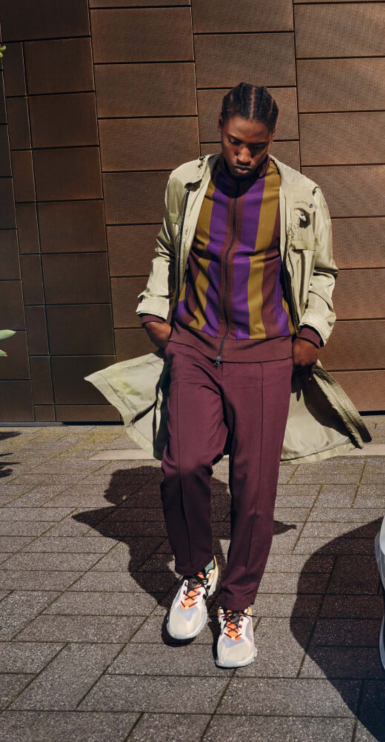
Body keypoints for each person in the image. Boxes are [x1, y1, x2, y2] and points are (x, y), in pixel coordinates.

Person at [135, 82, 357, 668]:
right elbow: (165, 249)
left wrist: (310, 332)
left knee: (255, 490)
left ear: (271, 142)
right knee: (182, 466)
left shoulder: (301, 194)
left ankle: (237, 607)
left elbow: (324, 273)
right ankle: (197, 569)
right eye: (235, 142)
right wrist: (155, 309)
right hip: (195, 344)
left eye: (255, 147)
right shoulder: (186, 183)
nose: (242, 156)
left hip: (265, 353)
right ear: (219, 128)